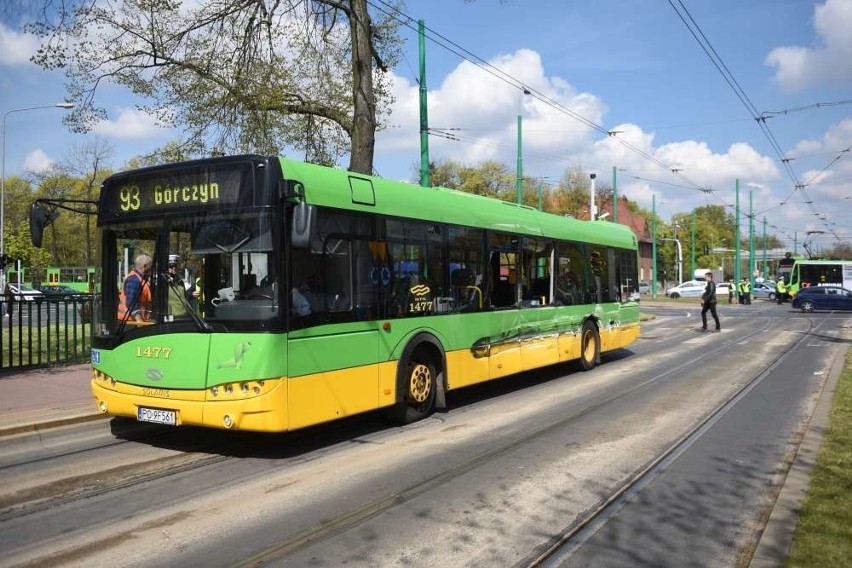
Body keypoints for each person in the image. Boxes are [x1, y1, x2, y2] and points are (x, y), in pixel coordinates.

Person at [119, 254, 152, 322]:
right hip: (131, 323)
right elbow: (131, 303)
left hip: (134, 322)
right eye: (150, 265)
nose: (151, 267)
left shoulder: (140, 279)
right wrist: (140, 322)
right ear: (145, 266)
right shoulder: (134, 280)